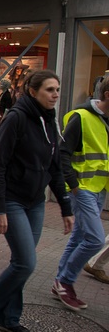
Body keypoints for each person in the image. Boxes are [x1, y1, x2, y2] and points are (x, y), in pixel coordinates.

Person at [0, 70, 74, 332]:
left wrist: (66, 208)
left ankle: (9, 318)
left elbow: (55, 167)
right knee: (26, 263)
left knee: (22, 262)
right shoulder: (16, 118)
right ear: (33, 91)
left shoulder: (50, 120)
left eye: (57, 89)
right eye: (49, 90)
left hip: (36, 202)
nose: (55, 94)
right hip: (12, 200)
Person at [52, 76, 109, 311]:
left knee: (78, 237)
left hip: (99, 188)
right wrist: (73, 184)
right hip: (82, 188)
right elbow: (62, 153)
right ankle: (66, 281)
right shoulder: (81, 116)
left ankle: (59, 283)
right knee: (95, 239)